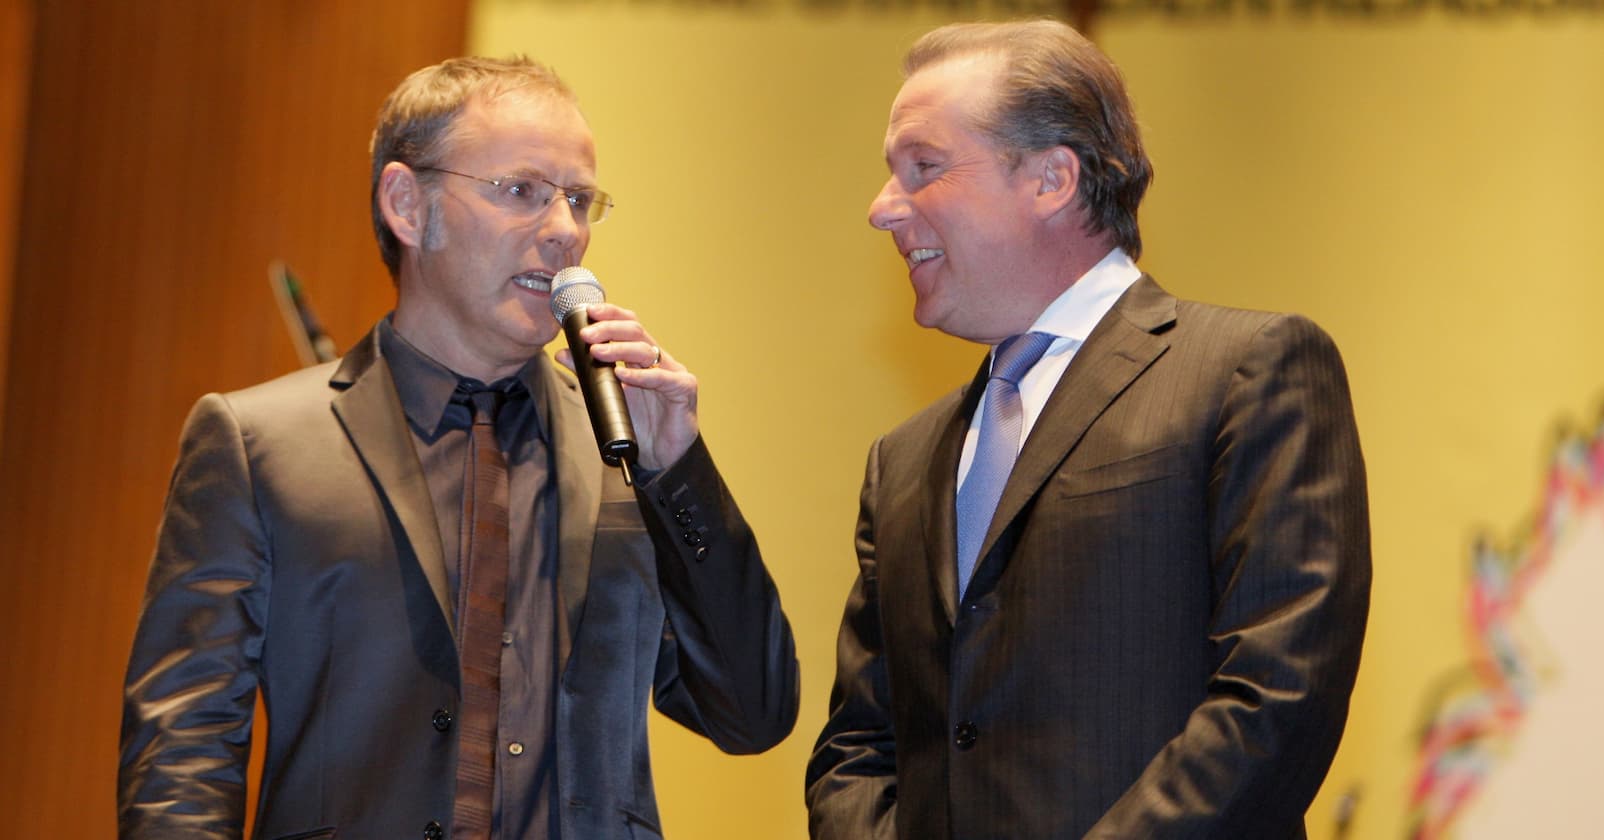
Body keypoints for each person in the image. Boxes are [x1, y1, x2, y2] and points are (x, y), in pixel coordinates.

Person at [119, 56, 798, 840]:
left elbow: (752, 713)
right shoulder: (258, 444)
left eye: (579, 200)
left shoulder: (622, 440)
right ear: (408, 204)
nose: (563, 231)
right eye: (522, 191)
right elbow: (183, 751)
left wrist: (679, 471)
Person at [806, 20, 1371, 840]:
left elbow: (1275, 696)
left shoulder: (1247, 371)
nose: (881, 209)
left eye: (922, 168)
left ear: (1051, 179)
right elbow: (859, 745)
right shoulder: (903, 460)